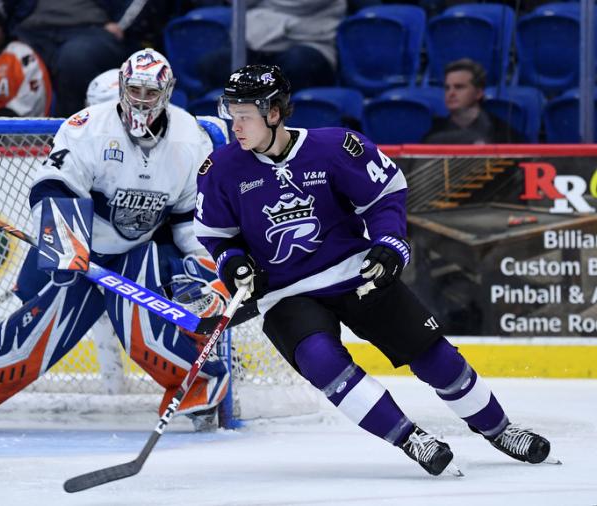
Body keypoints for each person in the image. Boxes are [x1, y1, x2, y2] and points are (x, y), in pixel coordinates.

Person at [193, 64, 554, 476]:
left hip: (353, 273)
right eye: (230, 112)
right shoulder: (220, 170)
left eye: (244, 115)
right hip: (285, 292)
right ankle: (410, 438)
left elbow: (386, 196)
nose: (234, 125)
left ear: (274, 113)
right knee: (321, 361)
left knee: (435, 357)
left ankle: (499, 429)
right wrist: (234, 263)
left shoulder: (334, 148)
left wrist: (388, 243)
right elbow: (218, 236)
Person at [0, 48, 230, 434]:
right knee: (39, 332)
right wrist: (66, 241)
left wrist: (202, 268)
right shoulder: (87, 126)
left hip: (143, 248)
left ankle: (201, 384)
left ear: (167, 91)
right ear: (123, 87)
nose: (141, 100)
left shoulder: (191, 139)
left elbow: (191, 218)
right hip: (83, 245)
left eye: (150, 92)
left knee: (144, 329)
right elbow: (55, 183)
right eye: (134, 90)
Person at [5, 0, 150, 116]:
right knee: (5, 55)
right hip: (32, 30)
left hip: (90, 29)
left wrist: (121, 24)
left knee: (73, 60)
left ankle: (70, 138)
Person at [197, 0, 345, 94]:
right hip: (255, 43)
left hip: (308, 42)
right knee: (214, 65)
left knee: (297, 65)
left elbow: (302, 3)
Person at [423, 58, 525, 144]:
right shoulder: (434, 135)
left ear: (478, 93)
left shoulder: (503, 134)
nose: (451, 93)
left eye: (459, 87)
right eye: (447, 88)